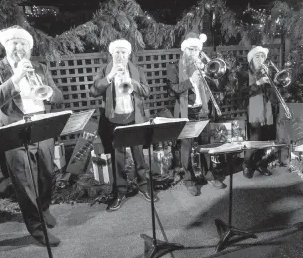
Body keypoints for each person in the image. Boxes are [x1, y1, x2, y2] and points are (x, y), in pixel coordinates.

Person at [0, 25, 64, 246]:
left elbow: (57, 96)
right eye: (14, 43)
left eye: (23, 43)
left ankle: (43, 208)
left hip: (42, 128)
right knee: (25, 182)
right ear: (6, 45)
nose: (19, 47)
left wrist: (46, 89)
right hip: (14, 133)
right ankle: (37, 229)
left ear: (29, 47)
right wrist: (16, 78)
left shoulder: (40, 67)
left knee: (46, 173)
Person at [90, 39, 158, 211]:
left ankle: (143, 186)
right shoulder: (104, 71)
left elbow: (147, 91)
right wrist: (110, 76)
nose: (120, 56)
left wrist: (132, 82)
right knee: (117, 158)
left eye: (123, 53)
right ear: (112, 54)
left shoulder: (138, 71)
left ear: (129, 55)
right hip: (113, 121)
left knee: (139, 156)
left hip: (134, 118)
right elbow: (93, 91)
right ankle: (120, 192)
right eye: (117, 52)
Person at [167, 32, 226, 196]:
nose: (193, 53)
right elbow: (173, 91)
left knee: (206, 144)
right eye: (190, 50)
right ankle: (189, 180)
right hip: (187, 112)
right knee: (186, 146)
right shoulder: (173, 67)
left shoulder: (203, 66)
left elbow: (217, 85)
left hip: (203, 110)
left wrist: (209, 74)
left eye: (196, 50)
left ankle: (208, 174)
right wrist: (191, 80)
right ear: (184, 50)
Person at [242, 46, 279, 178]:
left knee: (265, 140)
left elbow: (273, 97)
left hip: (268, 111)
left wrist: (272, 84)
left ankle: (260, 164)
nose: (260, 59)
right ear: (252, 59)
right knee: (255, 141)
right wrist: (258, 82)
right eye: (257, 56)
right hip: (254, 112)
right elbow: (243, 93)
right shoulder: (247, 73)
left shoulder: (268, 72)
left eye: (262, 56)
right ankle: (247, 164)